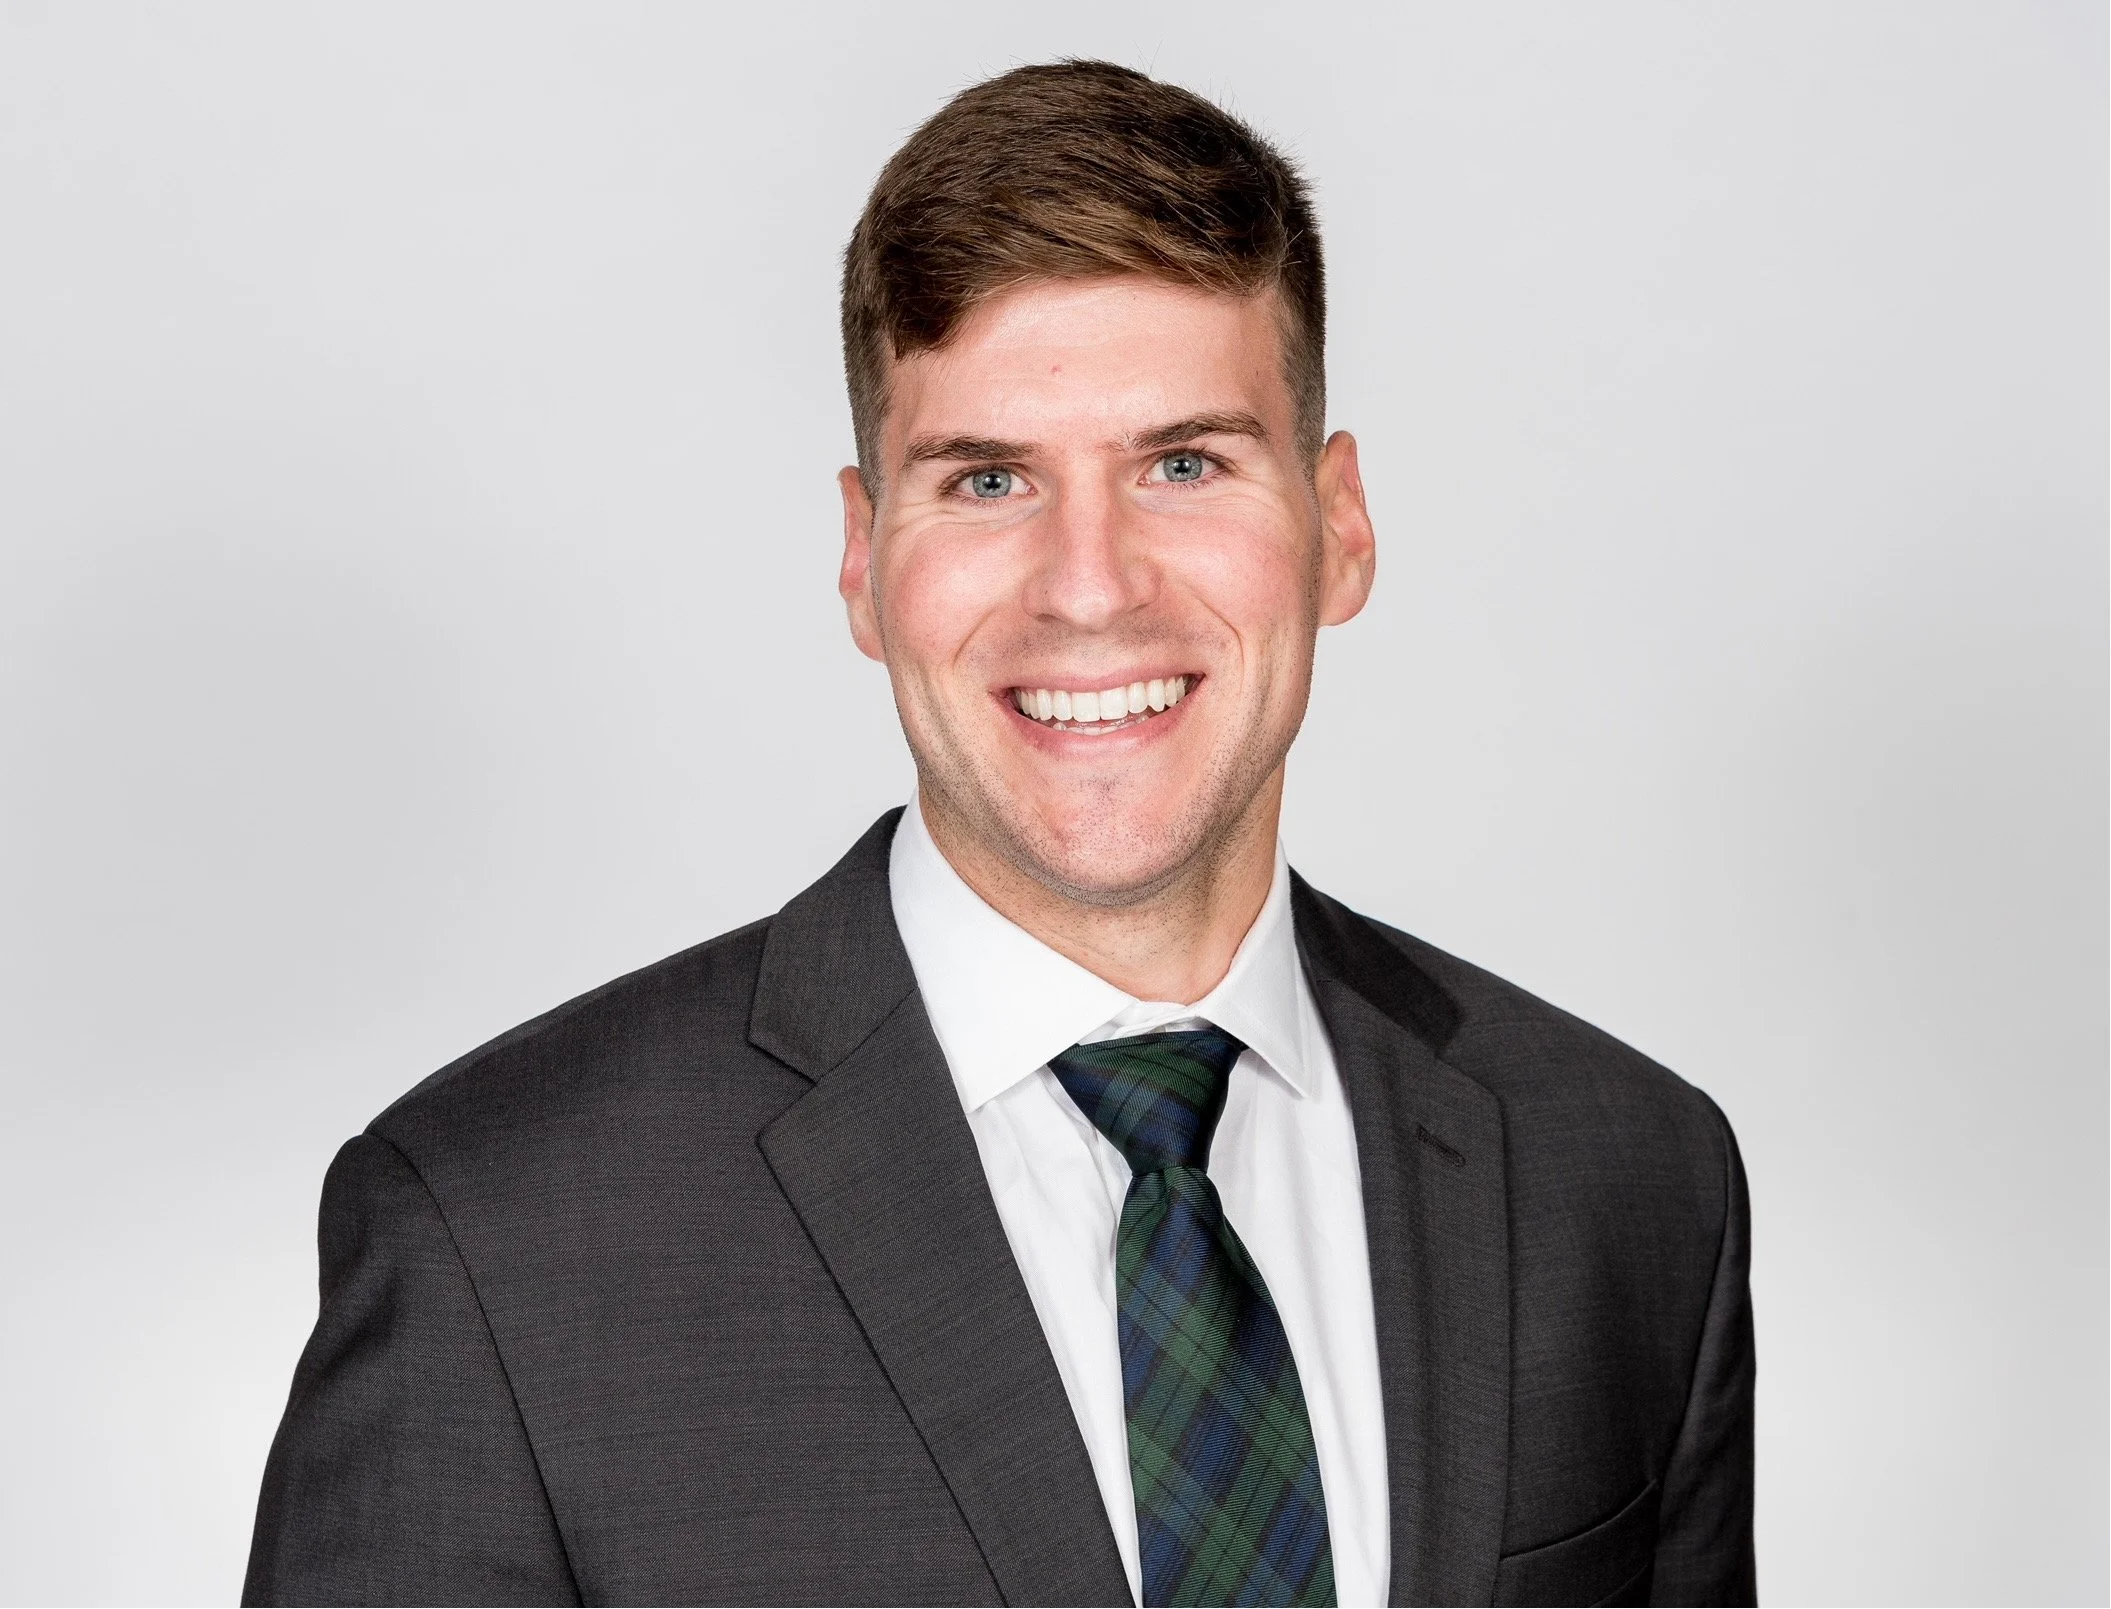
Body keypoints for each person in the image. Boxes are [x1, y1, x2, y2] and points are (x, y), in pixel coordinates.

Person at [243, 60, 1754, 1609]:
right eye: (984, 480)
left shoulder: (1624, 1177)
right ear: (862, 558)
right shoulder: (496, 1231)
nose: (1088, 585)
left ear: (1338, 526)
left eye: (1182, 463)